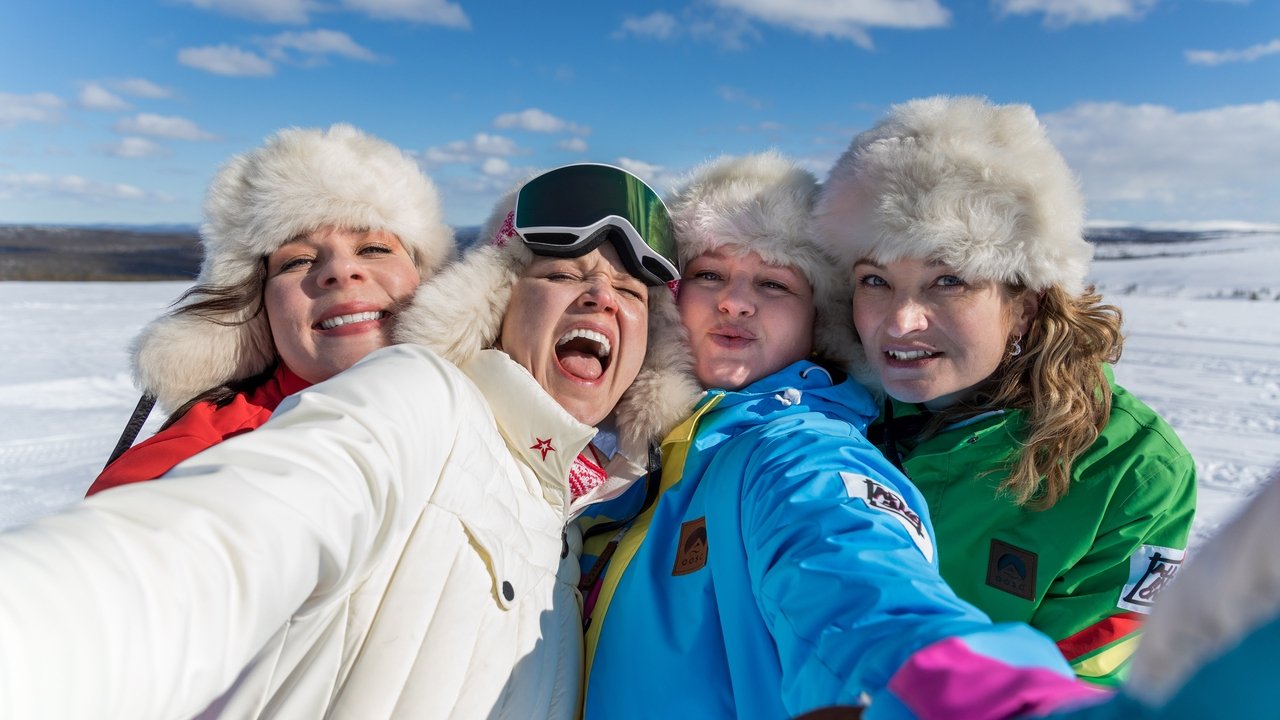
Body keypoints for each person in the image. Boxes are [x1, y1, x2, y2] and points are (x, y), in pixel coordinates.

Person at [0, 163, 697, 719]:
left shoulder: (585, 512)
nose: (602, 296)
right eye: (562, 273)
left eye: (632, 293)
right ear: (492, 301)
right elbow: (211, 550)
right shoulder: (418, 401)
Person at [577, 152, 1109, 720]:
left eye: (775, 283)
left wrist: (972, 697)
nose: (735, 300)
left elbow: (856, 586)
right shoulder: (643, 451)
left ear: (820, 322)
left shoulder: (793, 453)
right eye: (710, 274)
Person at [812, 96, 1197, 686]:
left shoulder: (1127, 470)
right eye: (875, 281)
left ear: (1024, 304)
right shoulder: (822, 409)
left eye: (948, 280)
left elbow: (1079, 685)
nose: (900, 321)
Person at [88, 123, 454, 495]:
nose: (341, 271)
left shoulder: (496, 400)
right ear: (256, 310)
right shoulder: (185, 466)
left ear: (433, 281)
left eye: (374, 248)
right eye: (297, 261)